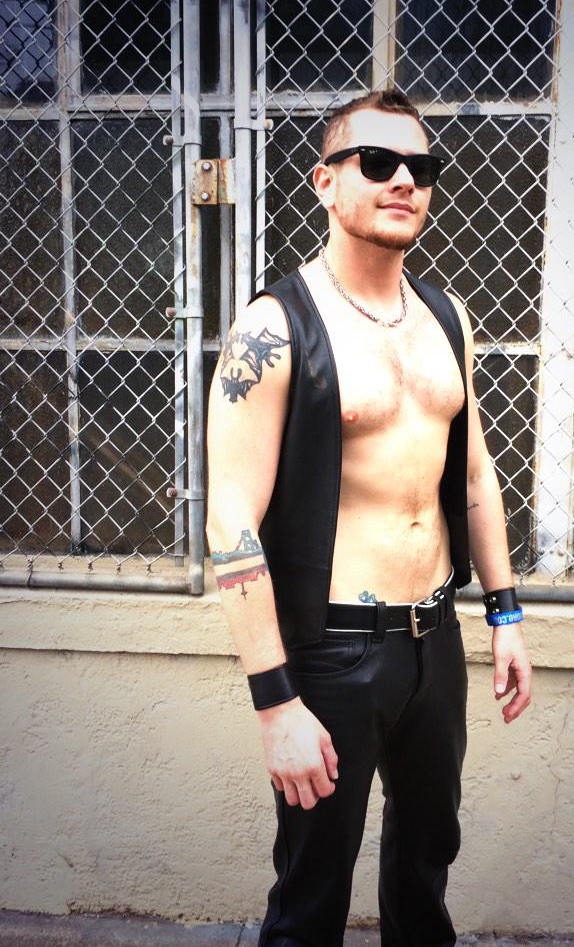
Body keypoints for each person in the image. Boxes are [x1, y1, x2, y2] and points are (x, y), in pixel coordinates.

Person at [206, 89, 532, 947]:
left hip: (436, 640)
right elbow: (230, 519)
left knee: (426, 868)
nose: (404, 183)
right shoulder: (273, 328)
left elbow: (473, 473)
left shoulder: (447, 317)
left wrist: (505, 614)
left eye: (421, 168)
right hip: (333, 651)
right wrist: (275, 703)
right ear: (324, 181)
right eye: (378, 162)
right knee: (312, 892)